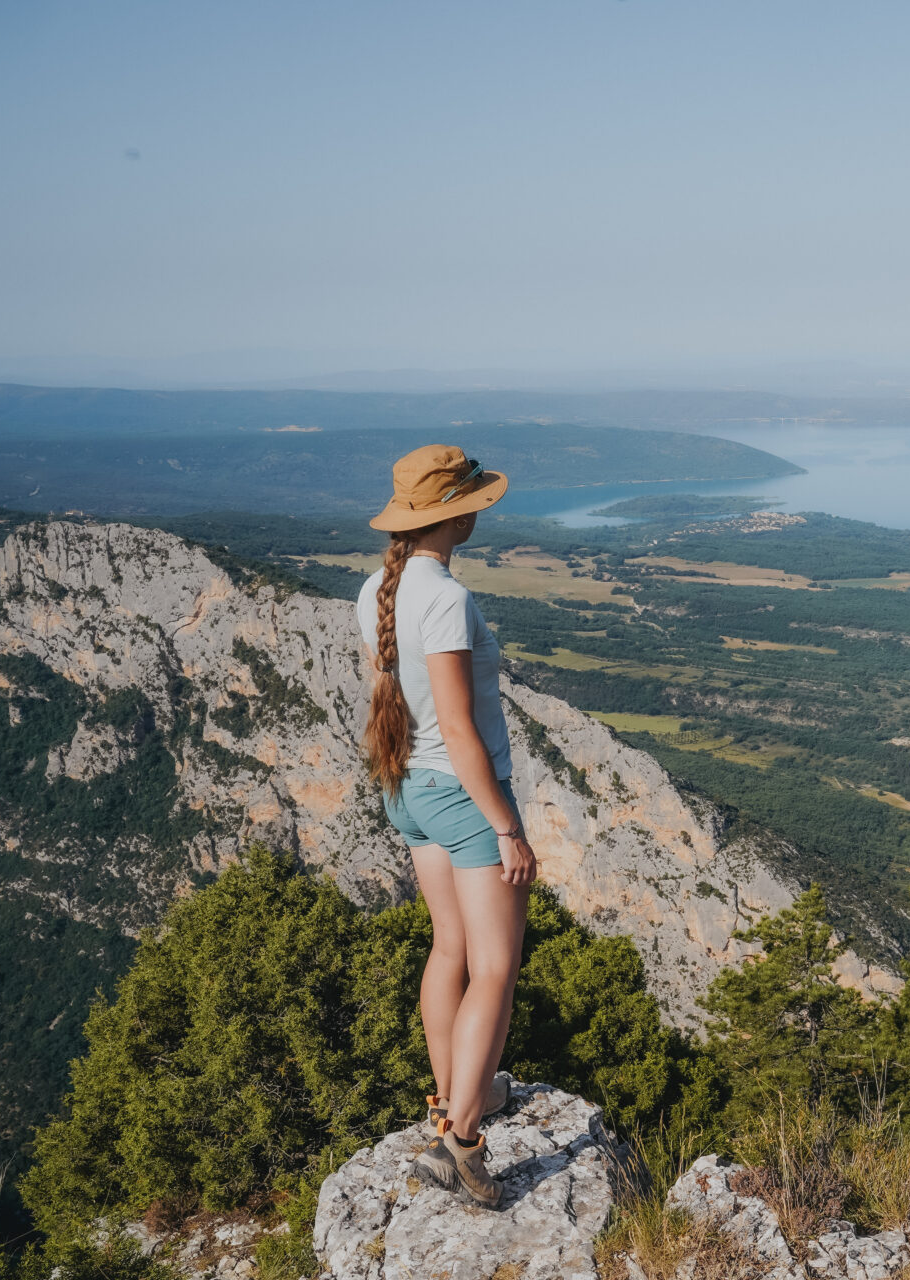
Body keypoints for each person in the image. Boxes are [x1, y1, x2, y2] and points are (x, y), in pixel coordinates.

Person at [356, 444, 537, 1209]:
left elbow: (402, 701)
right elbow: (460, 731)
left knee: (448, 949)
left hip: (405, 787)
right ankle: (460, 1139)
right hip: (463, 795)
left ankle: (454, 1095)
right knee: (494, 966)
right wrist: (506, 827)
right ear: (455, 513)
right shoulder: (448, 600)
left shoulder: (376, 590)